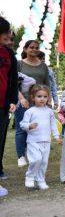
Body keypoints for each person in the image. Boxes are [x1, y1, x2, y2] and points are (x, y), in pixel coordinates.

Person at [15, 40, 50, 168]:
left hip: (39, 102)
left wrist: (49, 101)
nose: (34, 49)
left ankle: (33, 154)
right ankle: (20, 156)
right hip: (23, 102)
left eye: (36, 47)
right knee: (22, 129)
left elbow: (47, 84)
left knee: (37, 129)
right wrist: (21, 98)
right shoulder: (19, 64)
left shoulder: (43, 66)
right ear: (25, 49)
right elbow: (14, 83)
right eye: (31, 47)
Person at [20, 85, 61, 189]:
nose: (42, 99)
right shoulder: (30, 111)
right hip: (33, 141)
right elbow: (22, 124)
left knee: (43, 162)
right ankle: (29, 177)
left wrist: (56, 136)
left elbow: (53, 125)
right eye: (39, 96)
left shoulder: (50, 112)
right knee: (35, 160)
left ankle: (40, 180)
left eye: (45, 96)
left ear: (48, 98)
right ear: (33, 97)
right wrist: (29, 125)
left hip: (46, 141)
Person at [0, 16, 18, 180]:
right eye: (4, 32)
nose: (8, 35)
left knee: (1, 136)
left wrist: (12, 100)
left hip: (2, 104)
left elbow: (13, 79)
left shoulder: (8, 53)